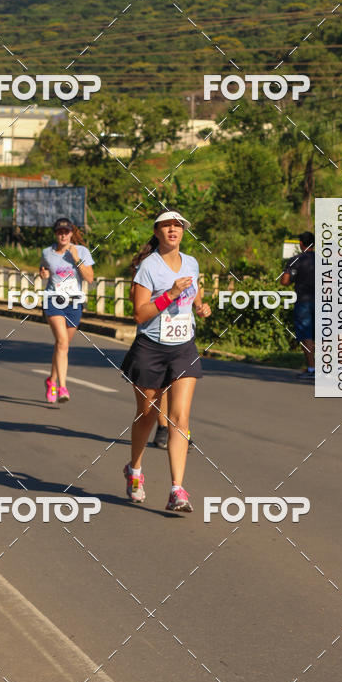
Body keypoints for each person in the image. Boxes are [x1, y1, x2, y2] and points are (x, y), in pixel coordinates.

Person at [120, 211, 211, 512]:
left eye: (178, 225)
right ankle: (134, 469)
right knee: (147, 414)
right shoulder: (148, 268)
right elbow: (140, 314)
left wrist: (199, 306)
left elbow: (194, 290)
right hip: (151, 347)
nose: (173, 229)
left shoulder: (192, 263)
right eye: (166, 225)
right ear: (157, 232)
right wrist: (170, 294)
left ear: (183, 232)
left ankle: (177, 490)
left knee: (180, 418)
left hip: (183, 347)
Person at [39, 217, 94, 403]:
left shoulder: (82, 251)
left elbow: (90, 278)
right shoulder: (47, 252)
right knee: (62, 342)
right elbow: (44, 269)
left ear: (72, 233)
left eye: (67, 232)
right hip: (53, 300)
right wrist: (43, 273)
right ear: (56, 234)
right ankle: (62, 387)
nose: (63, 235)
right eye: (60, 232)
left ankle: (51, 380)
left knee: (62, 346)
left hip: (74, 302)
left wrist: (77, 259)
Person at [280, 230, 315, 379]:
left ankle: (312, 369)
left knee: (306, 335)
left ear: (301, 244)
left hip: (304, 302)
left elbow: (285, 281)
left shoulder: (296, 260)